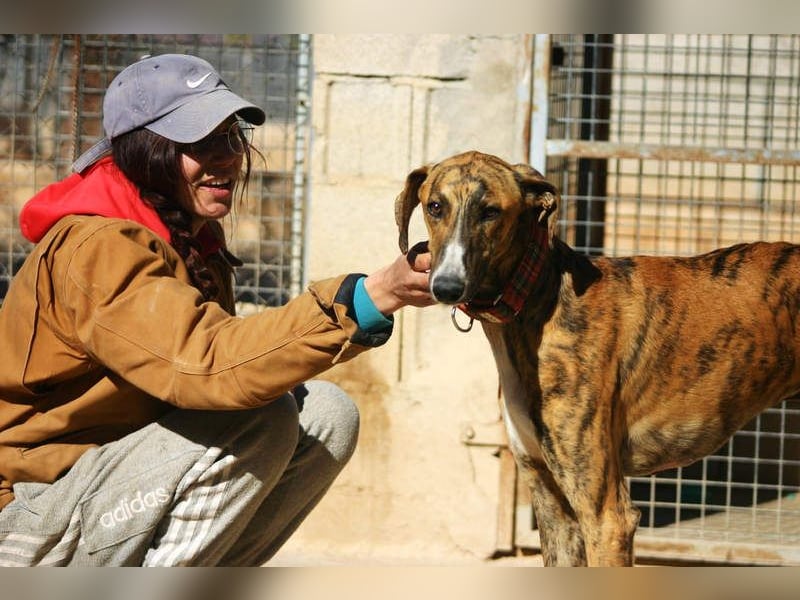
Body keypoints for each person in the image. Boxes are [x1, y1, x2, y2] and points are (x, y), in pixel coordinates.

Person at [0, 53, 433, 566]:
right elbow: (206, 365)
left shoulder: (187, 236)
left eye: (231, 137)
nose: (228, 157)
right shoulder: (101, 244)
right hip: (30, 505)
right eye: (200, 142)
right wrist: (371, 295)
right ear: (146, 152)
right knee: (263, 419)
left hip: (106, 482)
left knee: (324, 414)